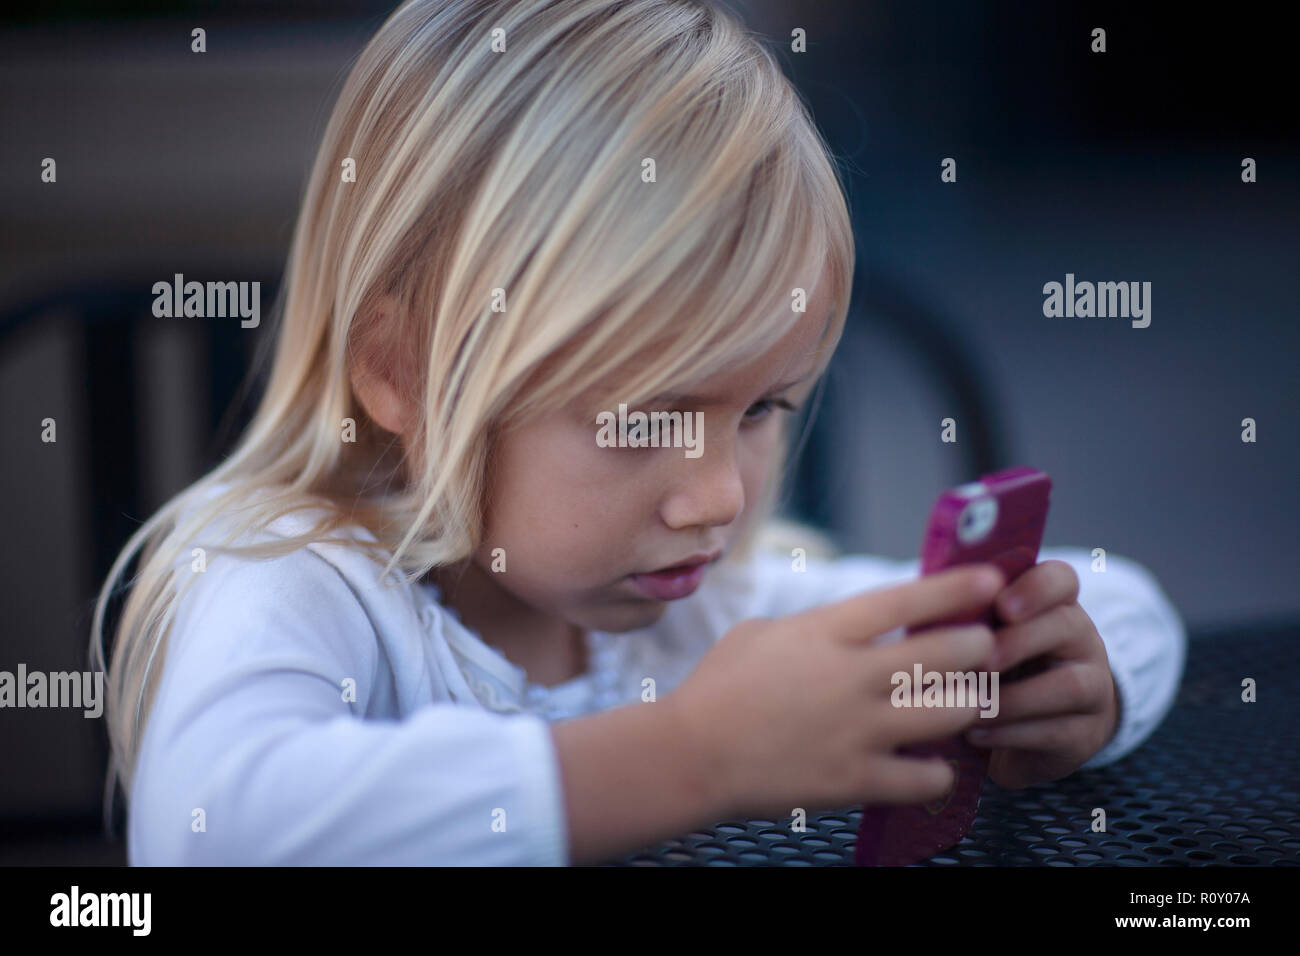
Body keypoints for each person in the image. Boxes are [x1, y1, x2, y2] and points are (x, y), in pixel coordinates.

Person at [91, 0, 1185, 866]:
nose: (716, 496)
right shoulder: (298, 581)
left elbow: (1128, 599)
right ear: (402, 372)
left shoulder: (700, 607)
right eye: (641, 418)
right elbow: (211, 823)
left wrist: (1070, 681)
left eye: (760, 409)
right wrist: (692, 753)